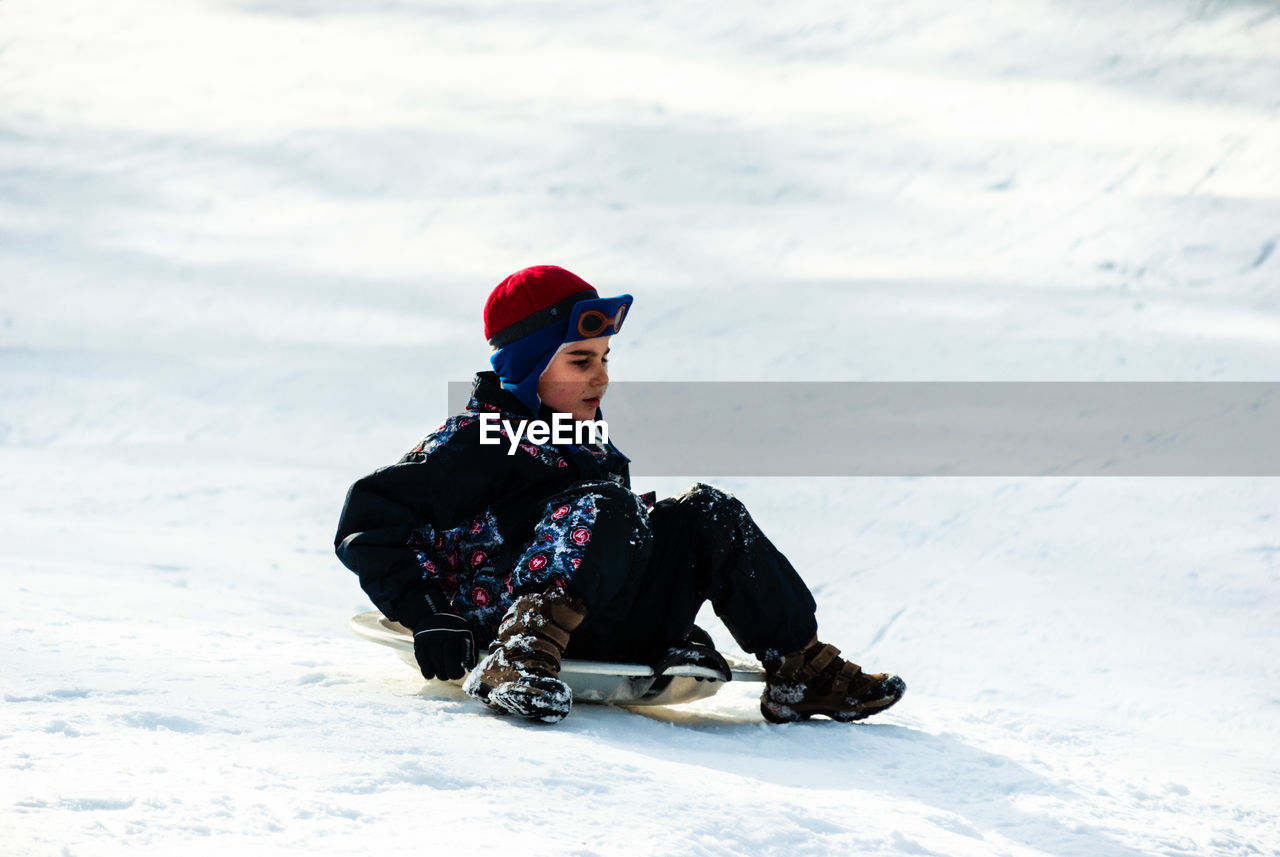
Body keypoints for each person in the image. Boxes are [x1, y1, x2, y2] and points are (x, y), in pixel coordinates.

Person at [334, 265, 906, 723]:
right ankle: (517, 656)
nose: (600, 376)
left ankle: (800, 668)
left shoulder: (586, 444)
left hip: (591, 626)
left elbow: (612, 556)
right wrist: (426, 614)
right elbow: (367, 520)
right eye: (580, 360)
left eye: (605, 359)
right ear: (527, 369)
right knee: (606, 505)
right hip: (500, 621)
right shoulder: (475, 442)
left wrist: (674, 622)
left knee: (706, 510)